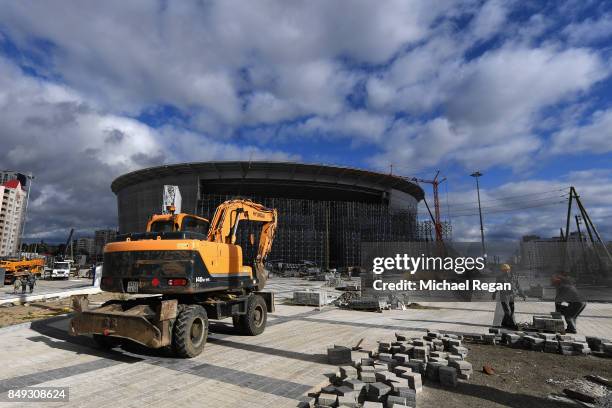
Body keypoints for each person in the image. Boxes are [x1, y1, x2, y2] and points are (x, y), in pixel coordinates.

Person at [492, 263, 526, 330]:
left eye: (507, 270)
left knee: (512, 310)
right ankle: (512, 325)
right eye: (504, 270)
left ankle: (504, 323)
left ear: (509, 270)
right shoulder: (500, 278)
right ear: (502, 271)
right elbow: (496, 286)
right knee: (507, 310)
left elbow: (518, 286)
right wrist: (494, 293)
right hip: (504, 296)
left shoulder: (514, 277)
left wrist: (523, 295)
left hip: (511, 296)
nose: (506, 271)